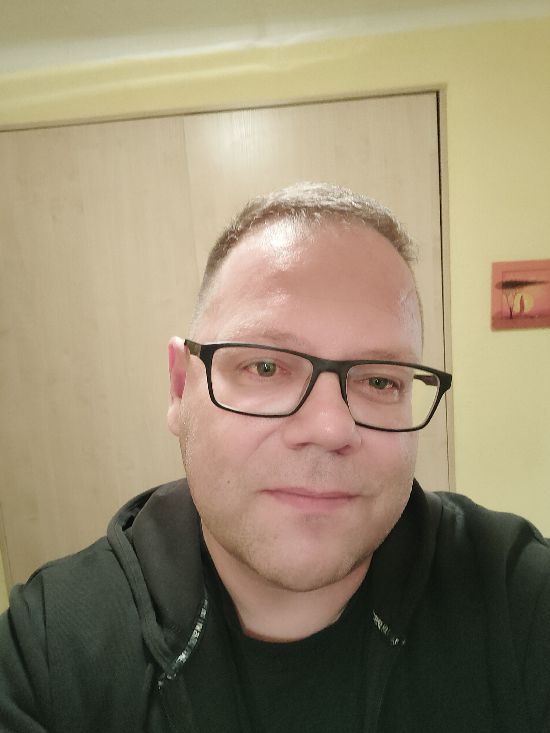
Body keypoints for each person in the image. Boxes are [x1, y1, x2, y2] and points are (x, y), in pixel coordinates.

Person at [0, 182, 549, 732]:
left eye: (380, 380)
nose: (330, 429)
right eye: (265, 367)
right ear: (180, 388)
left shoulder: (518, 599)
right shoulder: (46, 655)